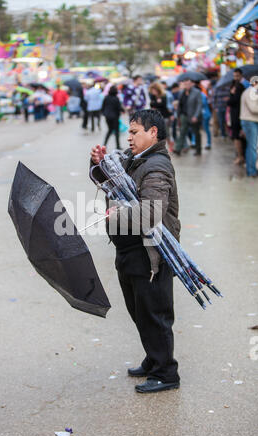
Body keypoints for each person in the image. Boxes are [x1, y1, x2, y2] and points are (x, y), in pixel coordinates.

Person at [90, 109, 181, 393]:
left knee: (155, 313)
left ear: (153, 133)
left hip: (150, 252)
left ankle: (167, 373)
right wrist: (98, 163)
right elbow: (109, 180)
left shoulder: (156, 167)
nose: (128, 138)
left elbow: (150, 213)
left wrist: (111, 215)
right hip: (130, 250)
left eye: (134, 132)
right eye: (128, 132)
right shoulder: (135, 159)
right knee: (139, 310)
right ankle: (154, 359)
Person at [174, 79, 202, 156]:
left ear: (192, 84)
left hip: (193, 116)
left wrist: (196, 116)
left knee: (196, 133)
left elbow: (199, 105)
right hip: (184, 115)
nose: (187, 85)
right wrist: (178, 115)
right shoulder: (181, 92)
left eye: (188, 84)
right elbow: (180, 105)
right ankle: (178, 149)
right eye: (185, 84)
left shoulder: (197, 92)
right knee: (182, 132)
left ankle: (198, 150)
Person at [240, 76, 258, 177]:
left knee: (251, 146)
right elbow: (253, 108)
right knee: (252, 146)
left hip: (251, 121)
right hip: (250, 121)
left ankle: (250, 169)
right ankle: (251, 171)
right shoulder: (251, 92)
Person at [149, 82, 174, 152]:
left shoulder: (163, 95)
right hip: (157, 116)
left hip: (165, 116)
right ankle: (161, 147)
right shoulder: (153, 96)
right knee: (158, 132)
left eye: (154, 90)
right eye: (152, 91)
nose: (153, 92)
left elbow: (163, 105)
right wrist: (157, 103)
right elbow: (151, 104)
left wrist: (156, 104)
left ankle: (171, 145)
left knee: (167, 132)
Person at [227, 72, 245, 164]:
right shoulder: (237, 86)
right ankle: (239, 156)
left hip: (237, 116)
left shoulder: (239, 87)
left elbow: (231, 101)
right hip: (236, 115)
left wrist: (232, 94)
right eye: (234, 76)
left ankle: (240, 157)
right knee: (237, 137)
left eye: (237, 76)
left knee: (237, 137)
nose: (235, 78)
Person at [102, 85, 124, 149]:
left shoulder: (106, 97)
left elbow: (103, 106)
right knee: (116, 132)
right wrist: (123, 110)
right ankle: (118, 145)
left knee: (109, 130)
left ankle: (104, 144)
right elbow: (119, 108)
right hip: (115, 117)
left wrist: (104, 113)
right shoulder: (116, 99)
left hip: (107, 117)